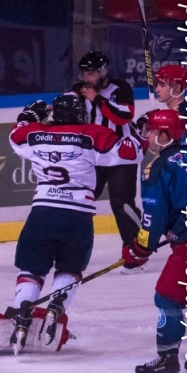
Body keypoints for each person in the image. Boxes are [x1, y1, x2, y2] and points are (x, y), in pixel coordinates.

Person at [8, 93, 143, 355]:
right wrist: (137, 133)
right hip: (77, 216)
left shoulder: (35, 133)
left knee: (31, 269)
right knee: (69, 270)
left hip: (43, 212)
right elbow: (130, 153)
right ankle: (55, 308)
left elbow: (15, 136)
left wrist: (26, 117)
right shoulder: (92, 133)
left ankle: (23, 312)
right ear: (80, 114)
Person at [128, 110, 187, 373]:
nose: (147, 136)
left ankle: (167, 363)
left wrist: (139, 250)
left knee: (167, 297)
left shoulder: (157, 166)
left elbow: (153, 219)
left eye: (151, 131)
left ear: (164, 136)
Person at [70, 51, 145, 274]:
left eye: (91, 73)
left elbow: (124, 117)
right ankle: (70, 251)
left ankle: (136, 254)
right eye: (84, 72)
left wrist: (98, 99)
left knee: (122, 203)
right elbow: (63, 107)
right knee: (78, 201)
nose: (86, 77)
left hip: (121, 154)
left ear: (103, 72)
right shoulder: (78, 89)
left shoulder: (120, 89)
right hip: (92, 155)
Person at [136, 65, 187, 149]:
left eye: (162, 85)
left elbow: (173, 151)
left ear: (177, 87)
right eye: (157, 85)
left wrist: (154, 127)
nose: (157, 89)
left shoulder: (182, 115)